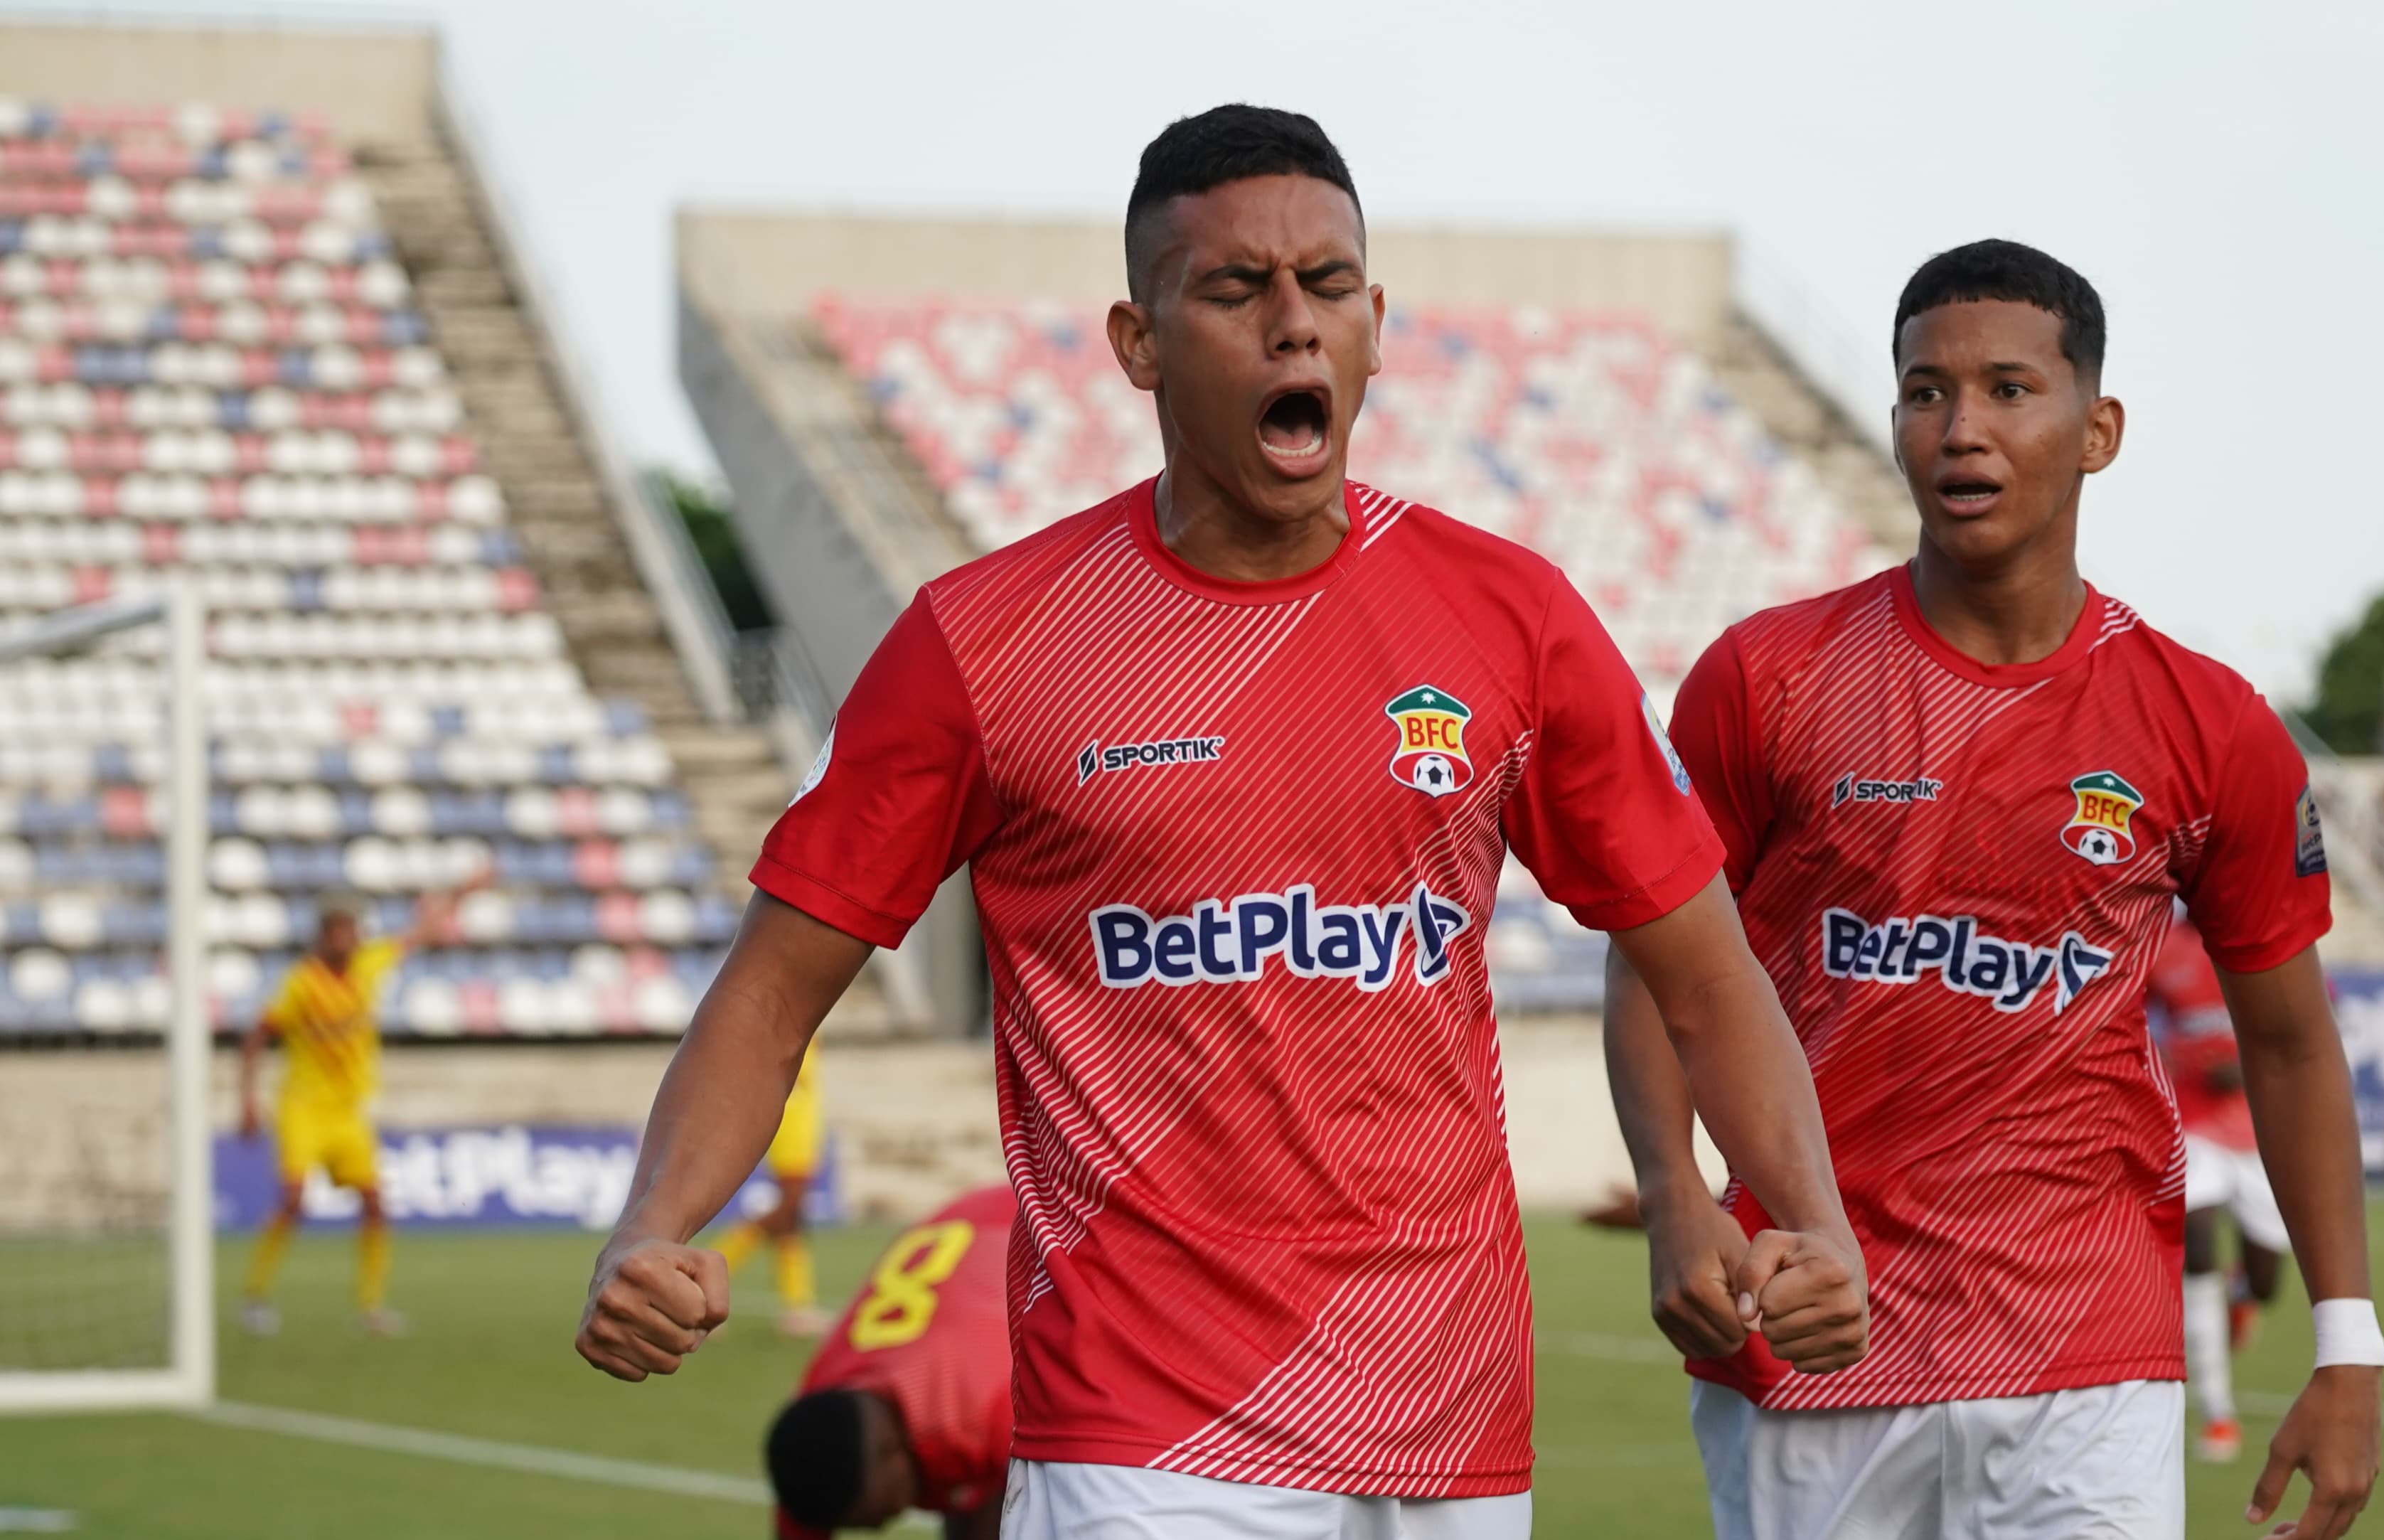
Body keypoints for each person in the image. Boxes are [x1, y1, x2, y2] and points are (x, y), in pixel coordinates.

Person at [575, 105, 1872, 1540]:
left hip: (1448, 1421)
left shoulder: (1515, 623)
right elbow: (769, 995)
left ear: (1376, 325)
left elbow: (1705, 973)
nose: (1292, 328)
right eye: (1235, 290)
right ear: (1138, 344)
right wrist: (654, 1227)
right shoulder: (983, 645)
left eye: (1326, 288)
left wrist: (1801, 1214)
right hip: (1145, 1436)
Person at [1605, 240, 2384, 1540]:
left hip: (2085, 1346)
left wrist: (2346, 1341)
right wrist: (1676, 1193)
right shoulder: (1766, 679)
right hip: (1814, 1327)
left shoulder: (2209, 724)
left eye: (2009, 389)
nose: (1960, 428)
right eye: (1924, 392)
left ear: (2099, 429)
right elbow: (1659, 959)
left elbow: (2294, 1045)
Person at [237, 867, 489, 1336]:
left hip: (349, 1112)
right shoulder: (301, 983)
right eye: (337, 929)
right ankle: (255, 1296)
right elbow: (256, 1036)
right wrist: (248, 1102)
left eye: (351, 929)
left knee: (375, 1203)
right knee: (292, 1201)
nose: (345, 938)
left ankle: (371, 1307)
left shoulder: (370, 964)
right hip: (304, 1106)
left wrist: (462, 891)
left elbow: (424, 932)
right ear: (322, 934)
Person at [766, 1184, 1015, 1540]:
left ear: (892, 1454)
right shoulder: (819, 1424)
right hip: (966, 1230)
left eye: (880, 1515)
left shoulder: (987, 1412)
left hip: (1047, 1217)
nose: (879, 1529)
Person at [2148, 904, 2291, 1464]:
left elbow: (2303, 1026)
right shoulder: (2165, 949)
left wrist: (2252, 1068)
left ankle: (2242, 1299)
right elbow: (2132, 1021)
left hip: (2258, 1133)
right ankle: (2218, 1414)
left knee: (2266, 1279)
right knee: (2198, 1248)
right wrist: (2170, 1059)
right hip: (2193, 1126)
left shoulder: (2261, 939)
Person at [712, 1034, 830, 1337]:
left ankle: (797, 1306)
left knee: (792, 1215)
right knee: (790, 1206)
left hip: (803, 1105)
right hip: (792, 1110)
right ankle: (707, 1274)